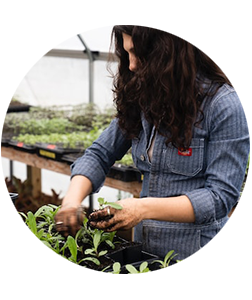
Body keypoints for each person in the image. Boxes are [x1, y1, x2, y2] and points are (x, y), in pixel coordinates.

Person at [55, 26, 250, 274]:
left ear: (170, 51)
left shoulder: (224, 105)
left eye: (139, 53)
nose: (132, 65)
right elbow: (100, 153)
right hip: (146, 259)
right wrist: (70, 202)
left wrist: (141, 208)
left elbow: (219, 197)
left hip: (203, 262)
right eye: (127, 54)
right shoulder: (147, 96)